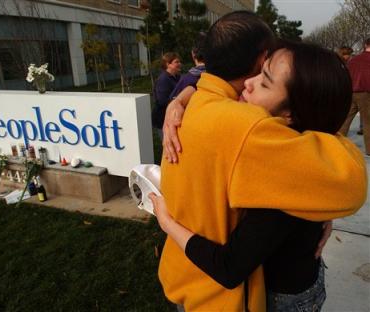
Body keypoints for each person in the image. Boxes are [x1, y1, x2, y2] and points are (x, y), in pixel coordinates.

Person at [157, 11, 367, 312]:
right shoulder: (254, 132)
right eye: (259, 73)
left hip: (274, 293)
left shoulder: (254, 135)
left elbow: (348, 181)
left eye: (265, 82)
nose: (250, 86)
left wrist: (184, 96)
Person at [339, 38, 370, 155]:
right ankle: (369, 149)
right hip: (366, 94)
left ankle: (337, 142)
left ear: (365, 45)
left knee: (346, 119)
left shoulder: (353, 60)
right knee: (368, 122)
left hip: (352, 93)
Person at [151, 52, 182, 140]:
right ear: (168, 64)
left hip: (172, 118)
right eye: (176, 62)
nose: (179, 64)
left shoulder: (177, 77)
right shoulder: (163, 80)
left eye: (179, 62)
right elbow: (162, 101)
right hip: (162, 120)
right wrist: (178, 100)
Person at [168, 32, 206, 100]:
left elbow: (173, 102)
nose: (179, 64)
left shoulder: (186, 80)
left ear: (193, 54)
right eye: (176, 62)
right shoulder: (219, 76)